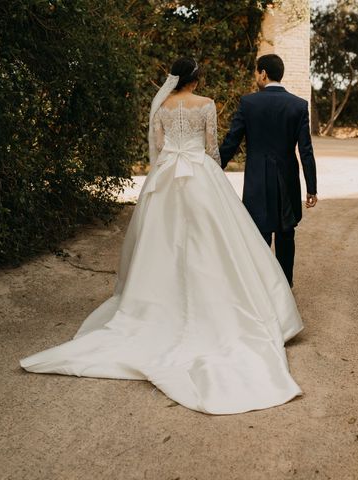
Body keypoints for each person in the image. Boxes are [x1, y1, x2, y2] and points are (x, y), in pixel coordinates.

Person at [20, 57, 304, 415]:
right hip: (198, 174)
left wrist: (170, 159)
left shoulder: (161, 105)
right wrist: (212, 175)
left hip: (168, 174)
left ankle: (153, 304)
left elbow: (157, 144)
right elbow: (213, 148)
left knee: (161, 243)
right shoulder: (206, 105)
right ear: (196, 80)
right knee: (215, 244)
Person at [220, 54, 318, 288]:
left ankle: (261, 289)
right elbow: (306, 150)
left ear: (263, 73)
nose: (256, 77)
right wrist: (311, 188)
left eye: (256, 72)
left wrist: (214, 167)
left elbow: (231, 141)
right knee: (286, 234)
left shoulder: (248, 103)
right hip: (287, 180)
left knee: (258, 236)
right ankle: (285, 286)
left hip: (257, 181)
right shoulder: (298, 105)